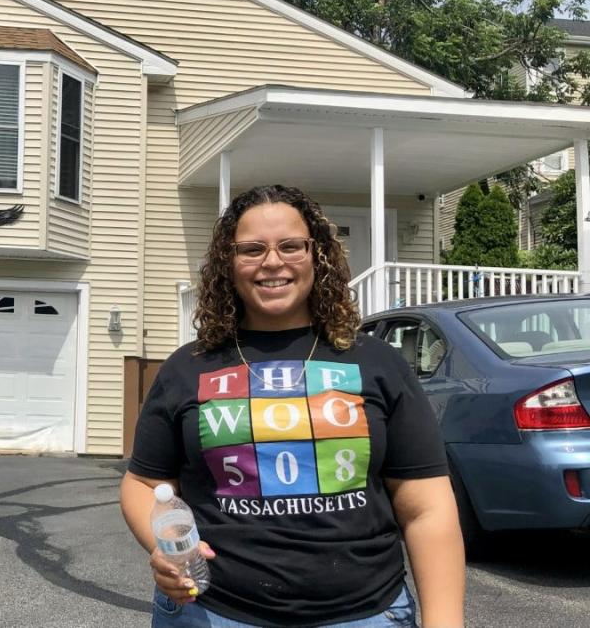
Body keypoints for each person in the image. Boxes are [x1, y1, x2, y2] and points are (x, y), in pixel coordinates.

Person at [121, 185, 465, 627]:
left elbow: (426, 507)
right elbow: (145, 483)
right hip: (215, 612)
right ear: (229, 263)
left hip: (365, 614)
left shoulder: (376, 362)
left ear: (316, 255)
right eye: (251, 249)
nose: (272, 261)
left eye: (290, 245)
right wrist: (162, 547)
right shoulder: (187, 369)